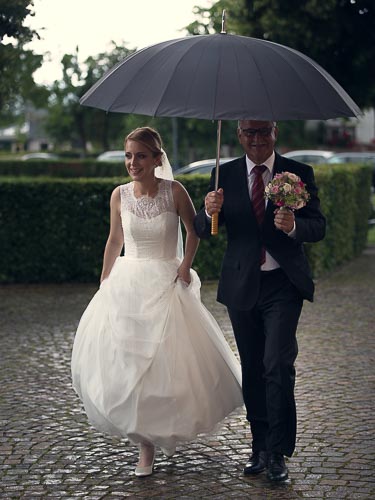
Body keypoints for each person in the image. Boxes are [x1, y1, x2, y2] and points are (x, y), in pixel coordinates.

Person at [71, 126, 243, 477]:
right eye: (129, 156)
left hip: (166, 280)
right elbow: (114, 239)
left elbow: (194, 230)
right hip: (128, 282)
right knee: (131, 364)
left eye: (141, 156)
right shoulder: (119, 195)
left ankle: (167, 423)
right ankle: (144, 446)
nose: (133, 162)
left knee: (167, 364)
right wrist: (105, 280)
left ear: (156, 159)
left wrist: (184, 266)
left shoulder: (175, 191)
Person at [194, 120, 326, 482]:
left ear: (275, 132)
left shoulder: (298, 173)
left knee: (277, 363)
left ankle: (279, 452)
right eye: (249, 132)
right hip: (242, 284)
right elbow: (203, 230)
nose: (256, 138)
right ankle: (260, 446)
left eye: (262, 131)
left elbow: (319, 225)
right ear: (238, 135)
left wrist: (294, 226)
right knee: (253, 367)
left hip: (283, 283)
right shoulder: (223, 173)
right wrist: (208, 210)